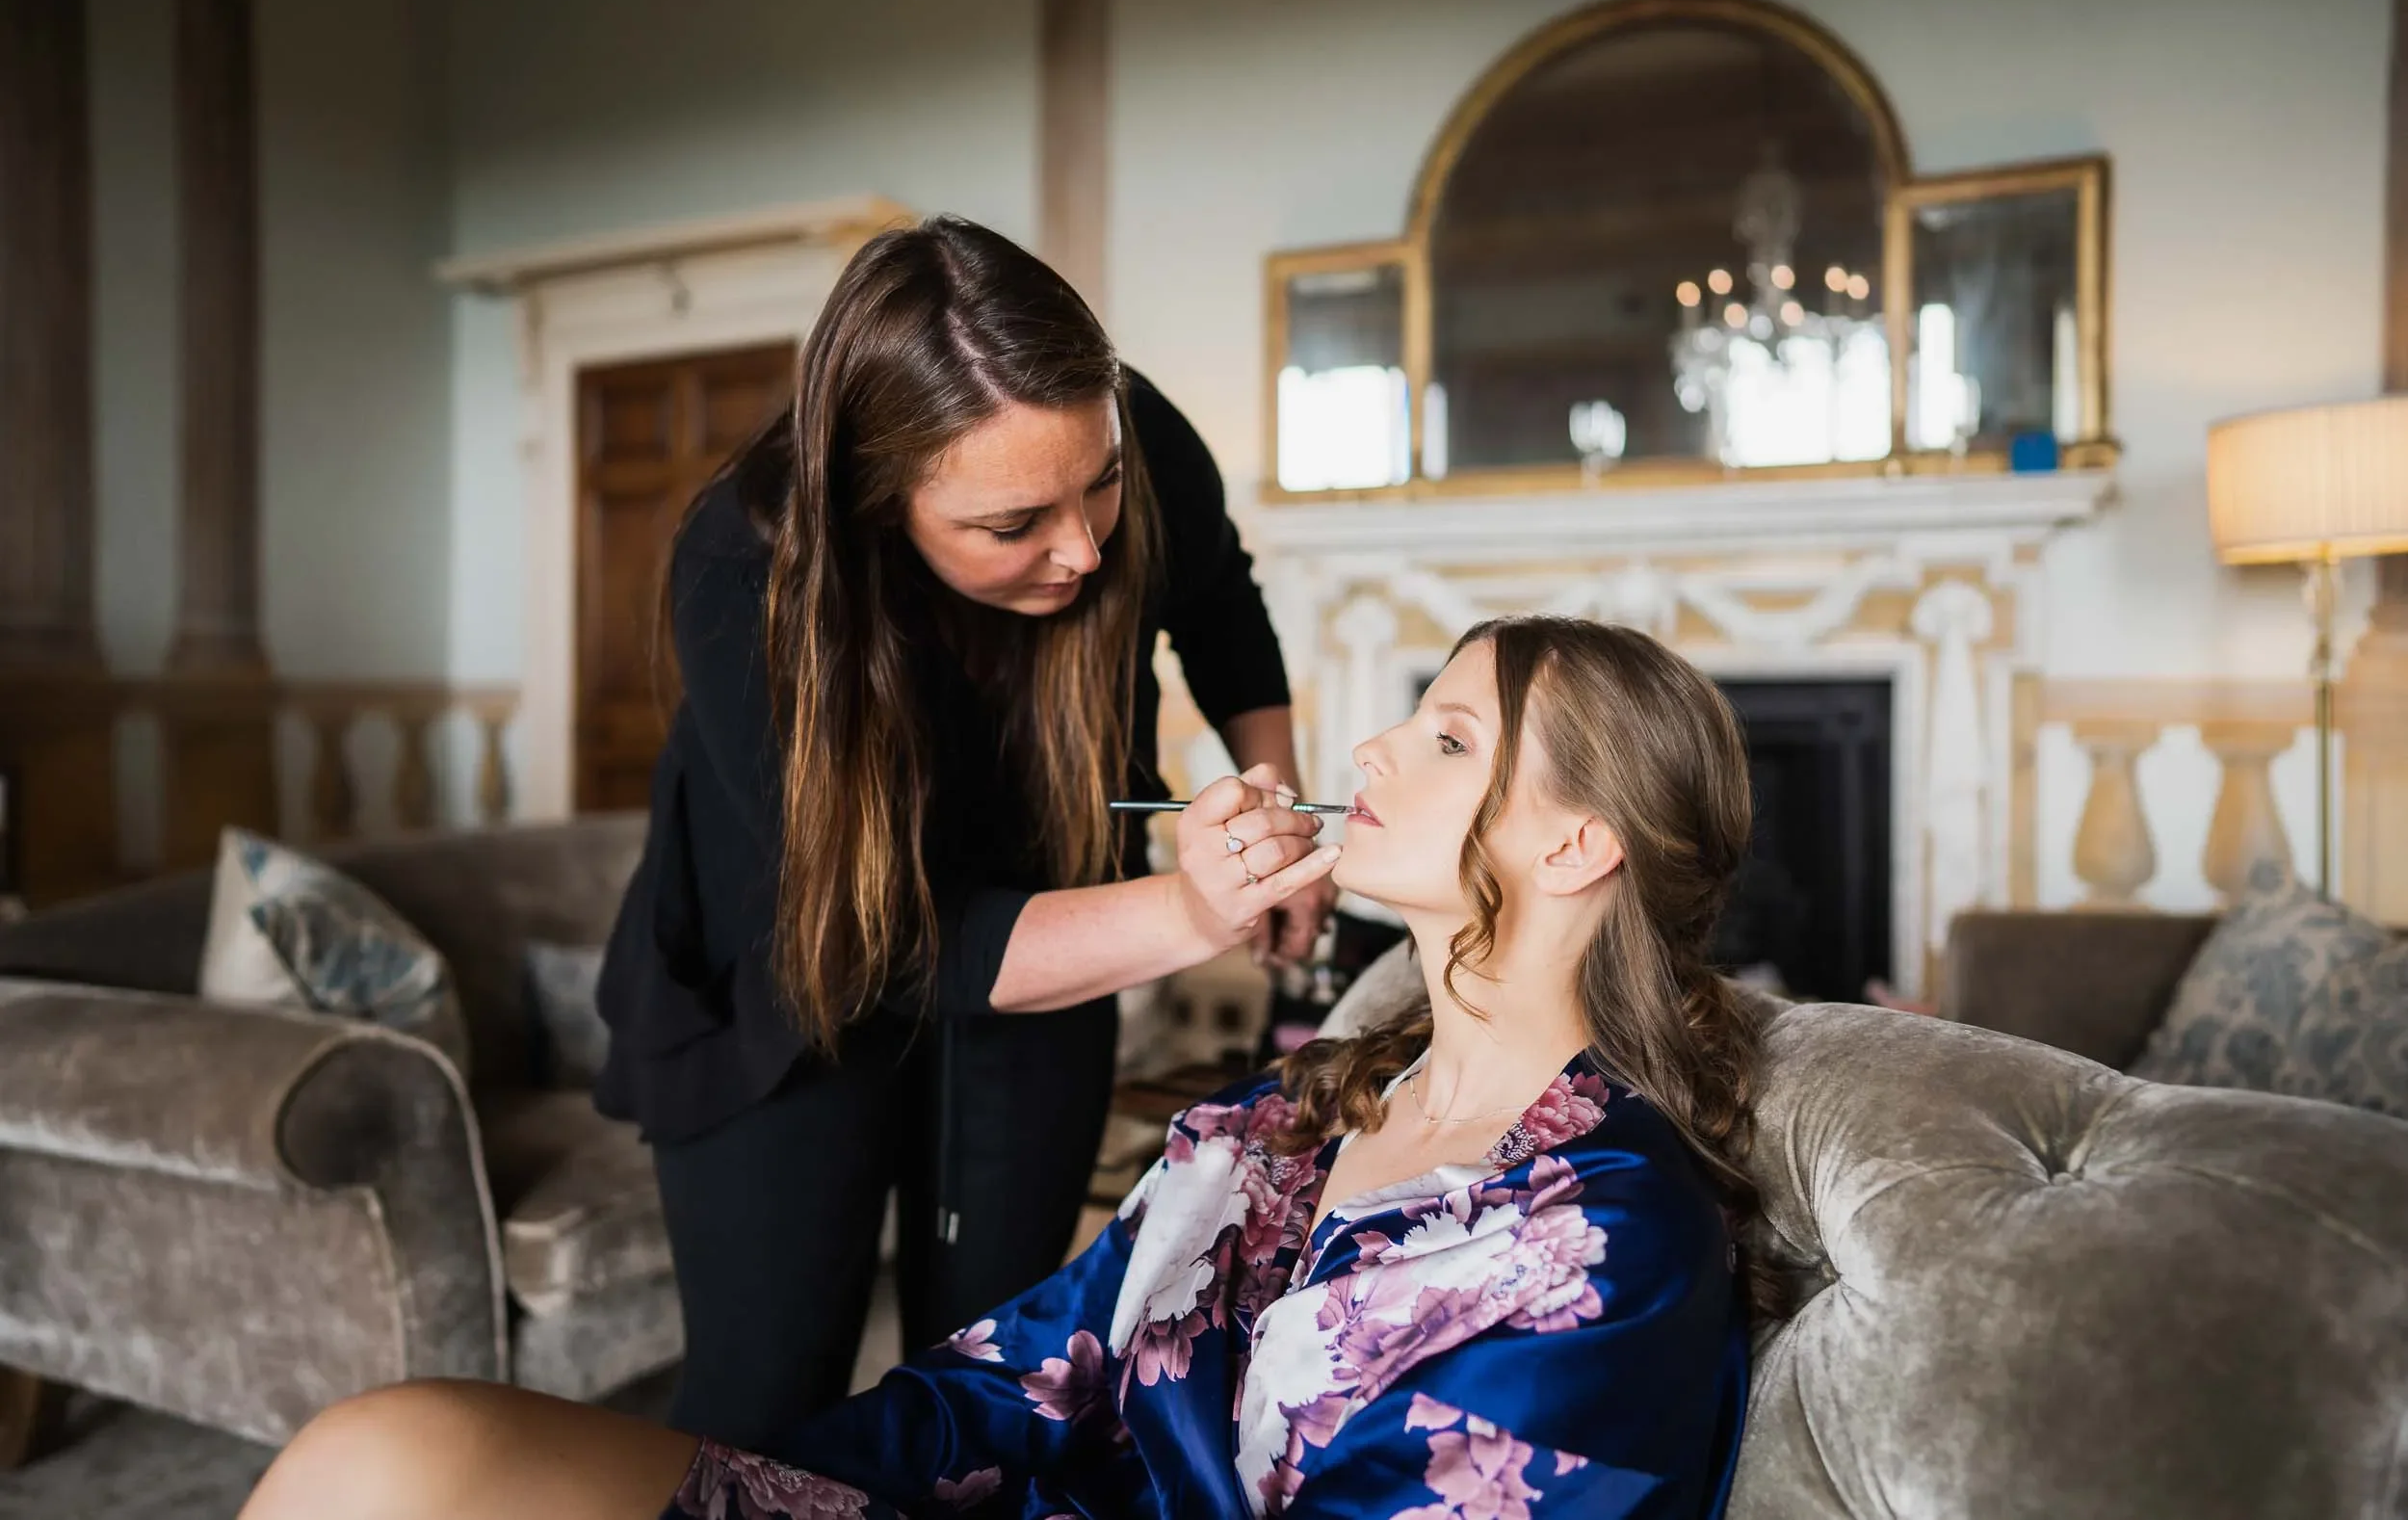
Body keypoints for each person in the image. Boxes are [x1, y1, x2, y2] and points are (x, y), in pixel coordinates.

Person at [240, 614, 1772, 1520]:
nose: (1367, 750)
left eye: (1444, 738)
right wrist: (751, 1482)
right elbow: (1013, 1375)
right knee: (388, 1446)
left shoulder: (1604, 1237)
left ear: (1578, 840)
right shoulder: (1275, 1122)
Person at [590, 216, 1339, 1445]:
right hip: (792, 980)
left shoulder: (1128, 433)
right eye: (1015, 526)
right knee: (767, 1390)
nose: (1086, 550)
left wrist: (1282, 795)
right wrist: (1193, 910)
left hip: (1044, 947)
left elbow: (1218, 603)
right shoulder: (744, 563)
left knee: (991, 1370)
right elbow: (888, 948)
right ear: (886, 503)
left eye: (1096, 486)